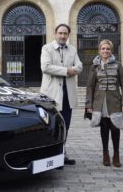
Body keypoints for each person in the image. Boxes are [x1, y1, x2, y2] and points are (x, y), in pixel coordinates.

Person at [40, 23, 83, 165]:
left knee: (65, 125)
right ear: (55, 33)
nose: (63, 36)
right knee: (51, 125)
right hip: (51, 95)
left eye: (65, 34)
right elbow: (45, 67)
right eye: (60, 33)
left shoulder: (72, 49)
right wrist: (66, 71)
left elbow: (80, 66)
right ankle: (48, 154)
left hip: (68, 95)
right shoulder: (47, 48)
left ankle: (62, 153)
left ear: (68, 35)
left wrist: (73, 69)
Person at [85, 39, 123, 167]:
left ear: (111, 51)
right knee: (104, 128)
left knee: (115, 128)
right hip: (99, 101)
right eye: (103, 49)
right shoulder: (94, 66)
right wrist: (89, 105)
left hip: (115, 101)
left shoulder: (118, 65)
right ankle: (105, 153)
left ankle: (116, 154)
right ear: (99, 50)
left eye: (108, 49)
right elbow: (90, 86)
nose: (105, 51)